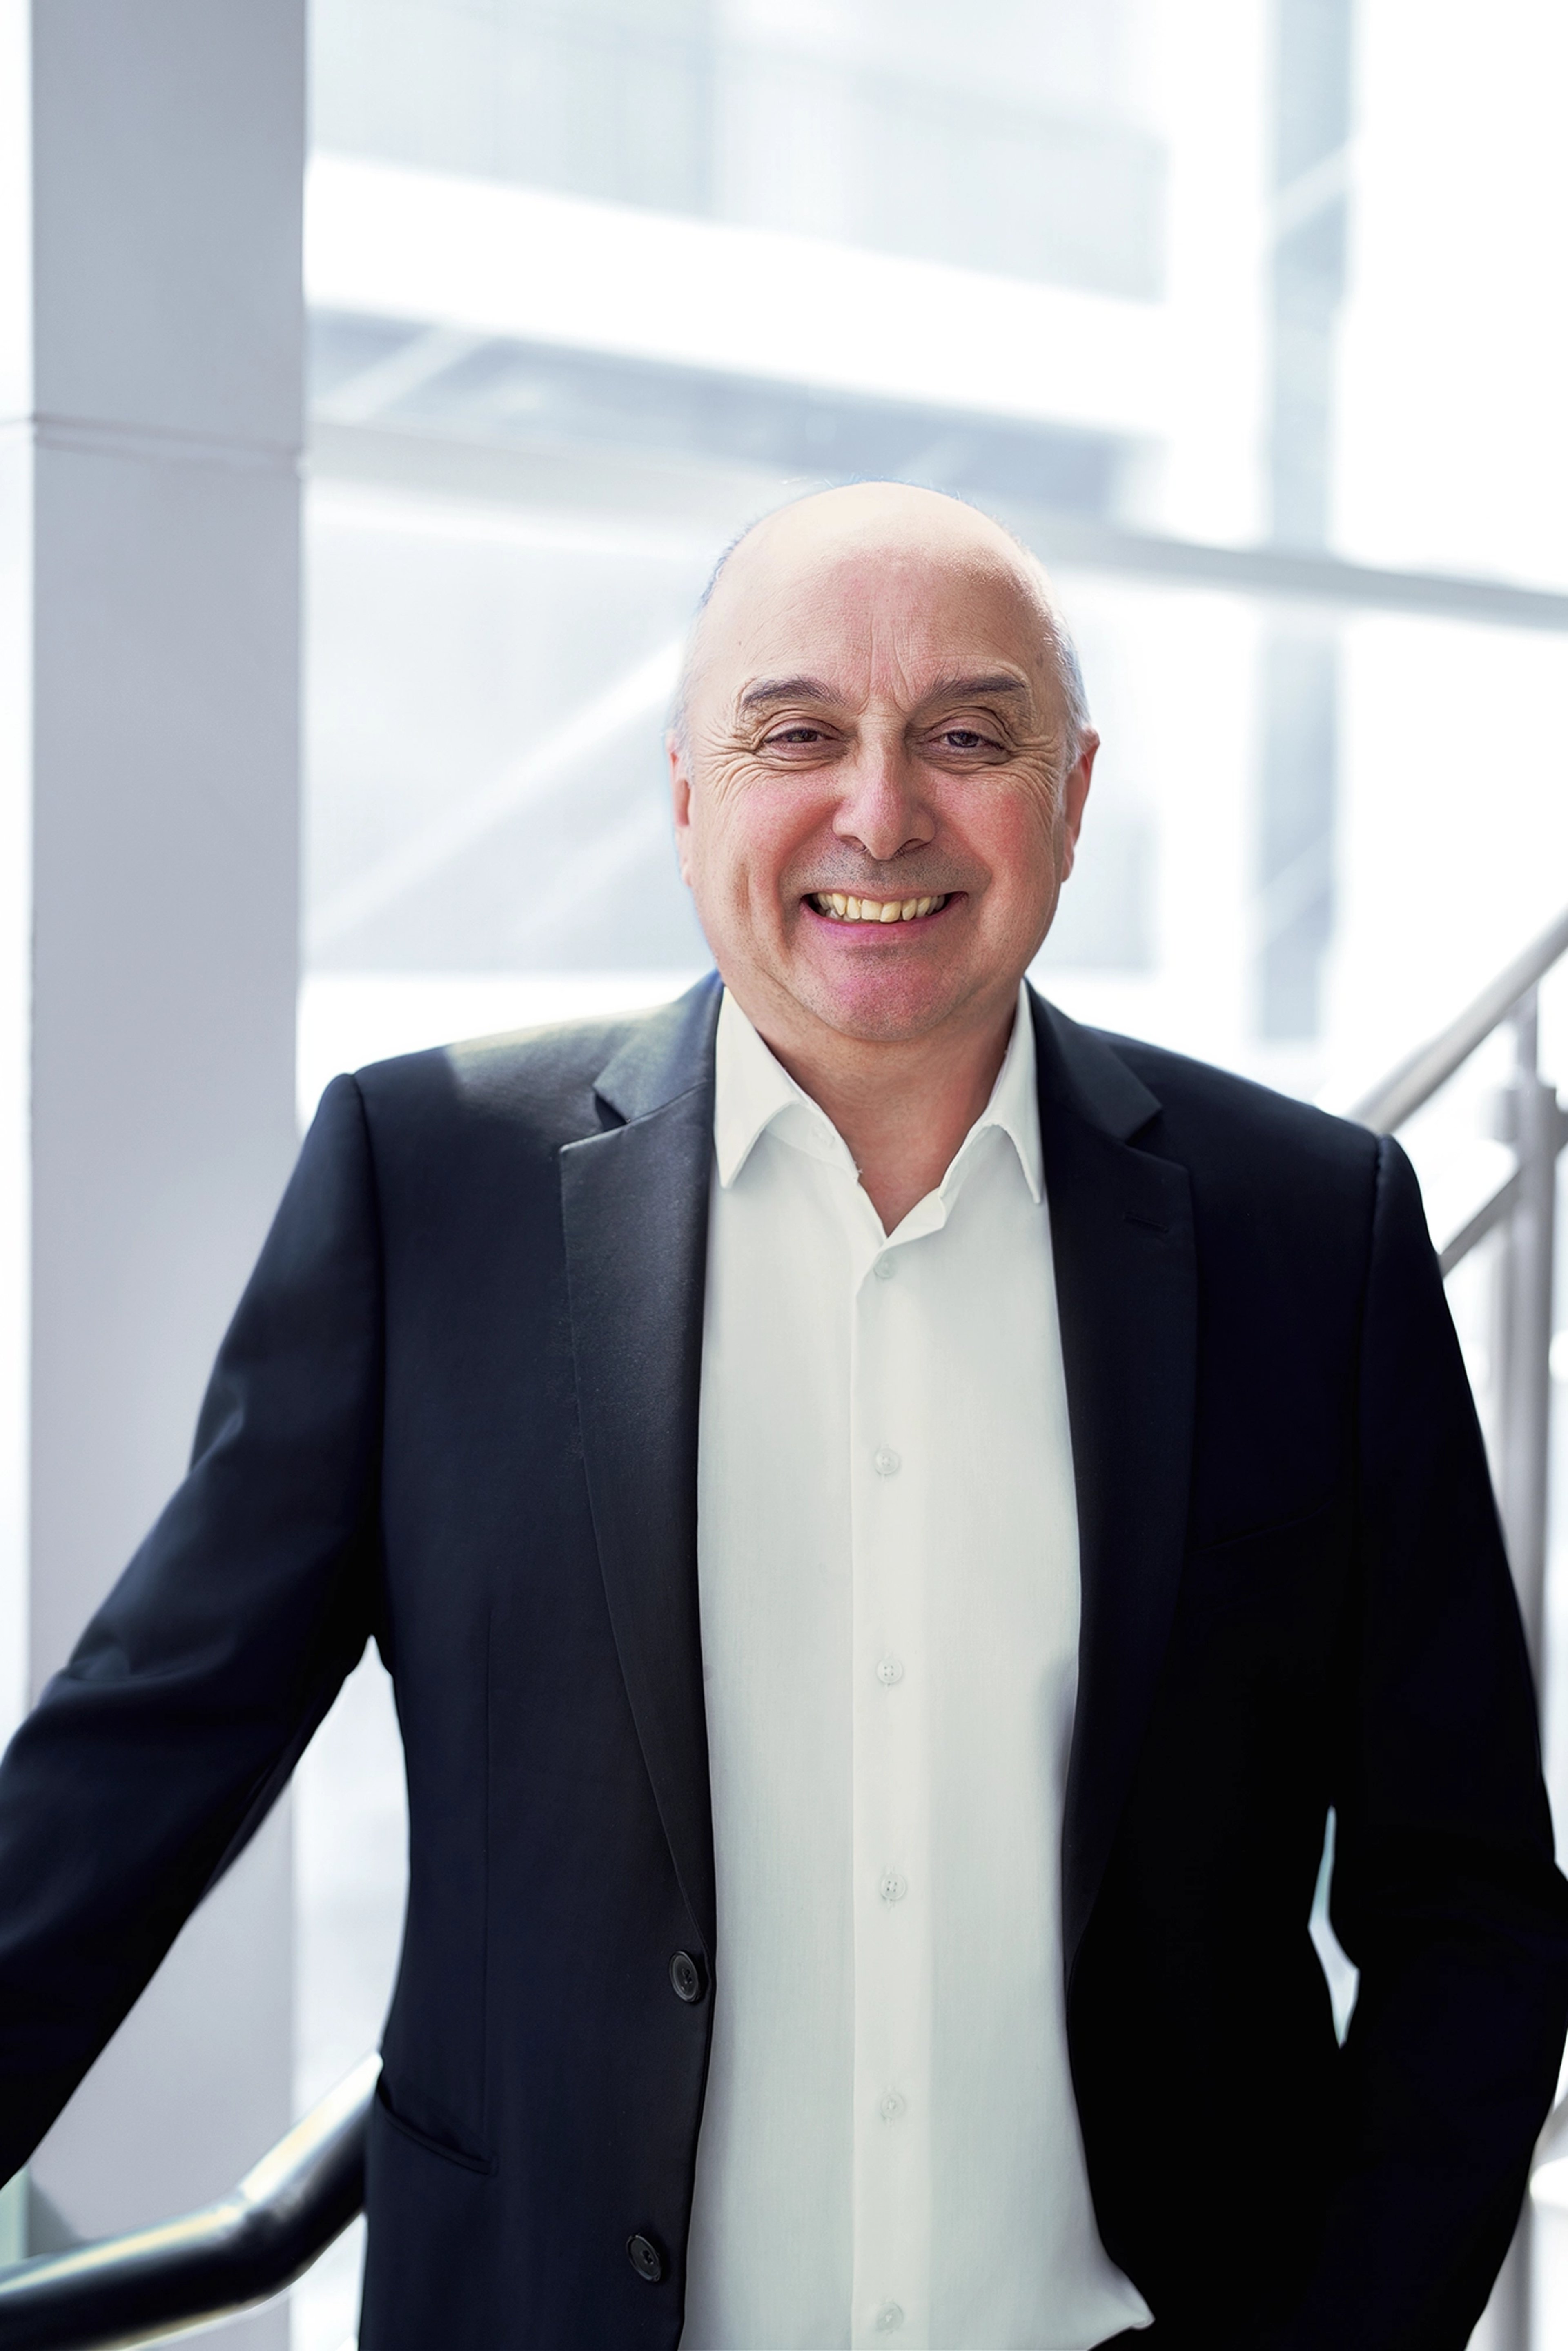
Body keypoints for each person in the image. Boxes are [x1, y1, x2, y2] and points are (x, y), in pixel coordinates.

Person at [0, 482, 1562, 2351]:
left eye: (970, 737)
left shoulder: (1319, 1237)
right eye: (797, 732)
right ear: (686, 797)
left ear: (1071, 799)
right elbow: (136, 1772)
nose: (881, 809)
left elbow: (1469, 1904)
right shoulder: (434, 1191)